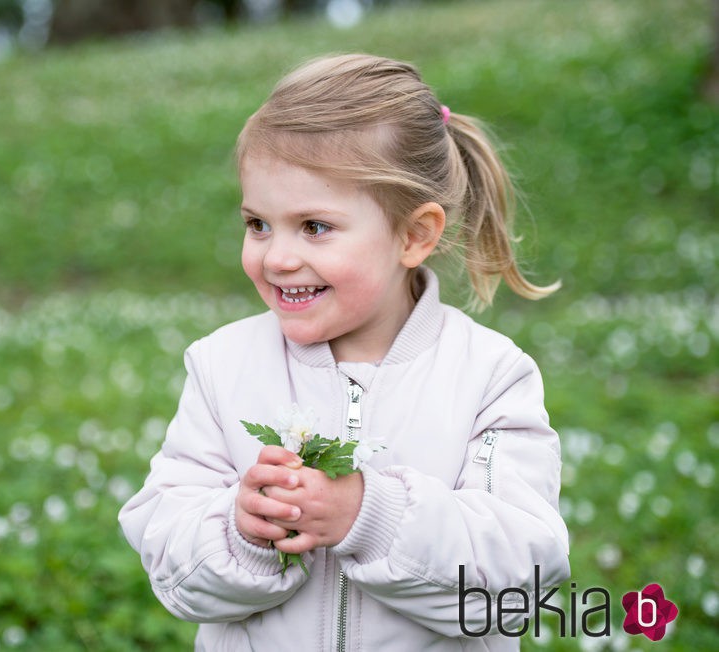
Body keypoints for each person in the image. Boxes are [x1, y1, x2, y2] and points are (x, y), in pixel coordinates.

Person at [118, 53, 570, 651]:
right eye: (258, 223)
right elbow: (173, 566)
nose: (275, 257)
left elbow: (518, 582)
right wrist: (241, 531)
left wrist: (371, 517)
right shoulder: (222, 367)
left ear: (415, 235)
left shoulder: (489, 377)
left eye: (314, 227)